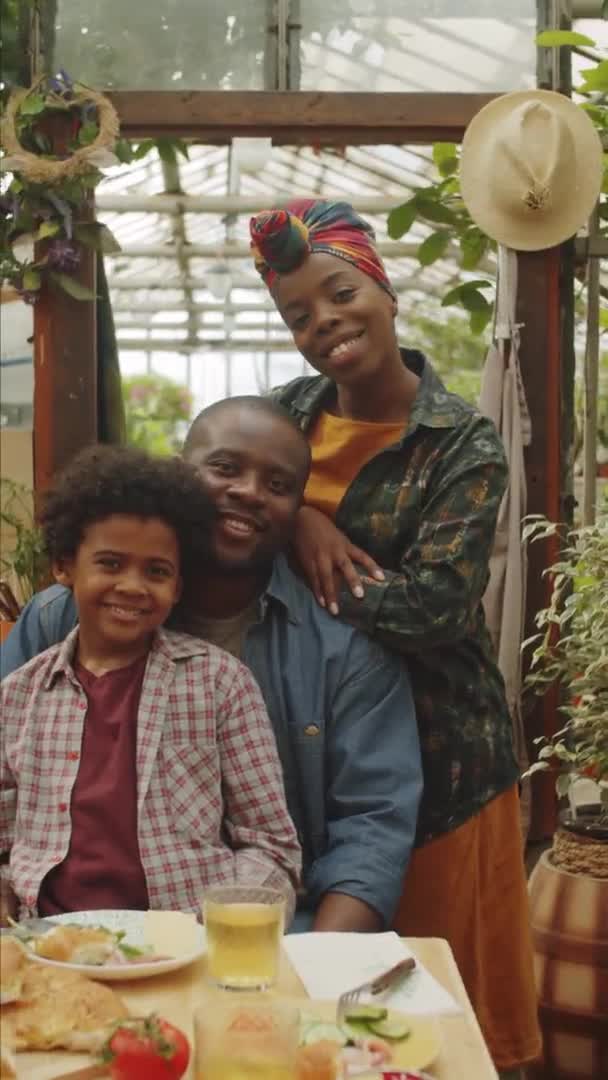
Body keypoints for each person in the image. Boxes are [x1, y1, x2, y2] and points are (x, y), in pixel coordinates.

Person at [248, 199, 541, 1072]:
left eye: (340, 293)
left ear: (381, 287)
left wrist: (304, 551)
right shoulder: (286, 413)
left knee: (441, 1016)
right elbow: (220, 495)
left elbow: (433, 609)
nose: (325, 323)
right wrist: (294, 514)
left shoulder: (460, 443)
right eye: (299, 315)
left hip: (445, 761)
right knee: (330, 1006)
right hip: (320, 751)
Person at [0, 399, 422, 934]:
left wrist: (305, 967)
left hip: (259, 926)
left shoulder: (340, 651)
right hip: (52, 932)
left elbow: (371, 827)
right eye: (224, 468)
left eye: (277, 485)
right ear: (182, 474)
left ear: (299, 509)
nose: (248, 491)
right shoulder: (54, 627)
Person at [0, 445, 300, 924]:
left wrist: (218, 930)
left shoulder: (220, 683)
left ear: (178, 587)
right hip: (50, 946)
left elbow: (272, 848)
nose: (133, 586)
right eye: (110, 564)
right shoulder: (16, 698)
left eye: (156, 572)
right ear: (64, 567)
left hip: (188, 942)